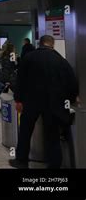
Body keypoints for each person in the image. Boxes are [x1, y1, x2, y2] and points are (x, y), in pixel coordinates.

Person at [9, 35, 80, 169]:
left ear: (39, 44)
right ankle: (54, 164)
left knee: (25, 131)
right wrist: (73, 96)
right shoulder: (60, 60)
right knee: (52, 134)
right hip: (53, 103)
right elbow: (71, 81)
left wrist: (18, 99)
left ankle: (21, 160)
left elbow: (20, 80)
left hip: (31, 101)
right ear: (52, 45)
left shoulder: (29, 57)